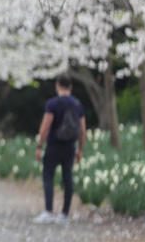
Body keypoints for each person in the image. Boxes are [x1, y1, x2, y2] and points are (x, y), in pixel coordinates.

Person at [34, 74, 86, 224]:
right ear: (70, 87)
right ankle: (64, 214)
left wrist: (39, 146)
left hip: (54, 146)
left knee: (48, 177)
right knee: (67, 178)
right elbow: (82, 130)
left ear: (57, 86)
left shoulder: (52, 104)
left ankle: (49, 211)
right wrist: (80, 149)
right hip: (70, 147)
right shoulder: (77, 104)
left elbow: (45, 127)